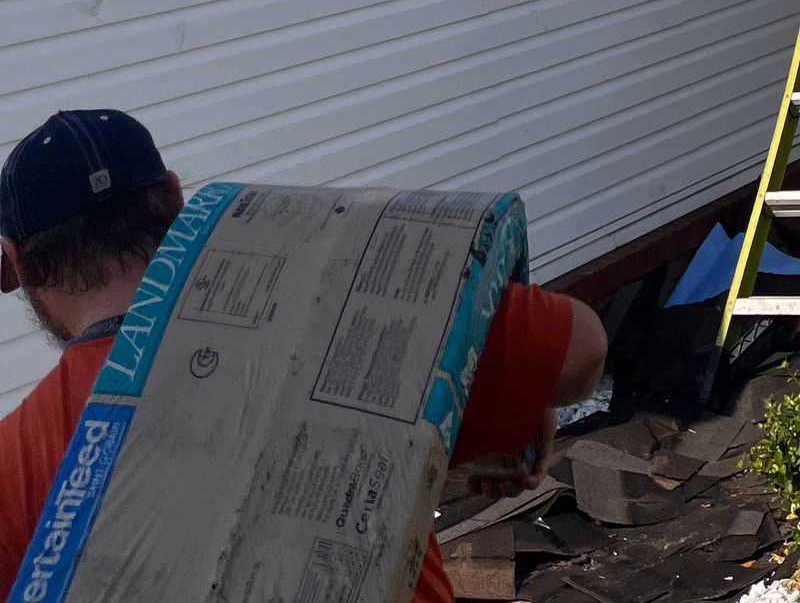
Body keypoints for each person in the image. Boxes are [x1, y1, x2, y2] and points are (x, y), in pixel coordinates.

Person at [0, 109, 607, 603]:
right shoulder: (341, 321)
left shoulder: (12, 464)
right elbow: (582, 348)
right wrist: (519, 401)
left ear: (21, 267)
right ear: (177, 199)